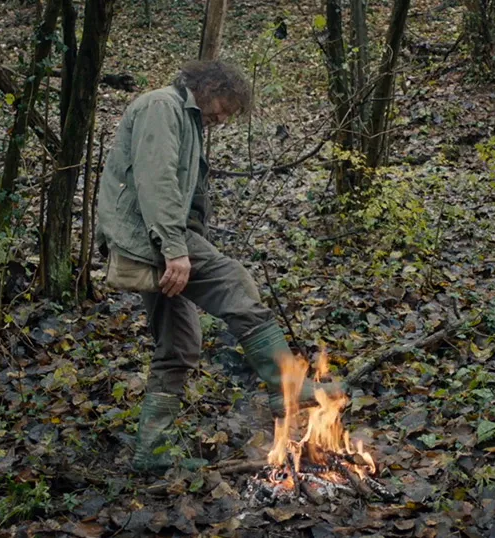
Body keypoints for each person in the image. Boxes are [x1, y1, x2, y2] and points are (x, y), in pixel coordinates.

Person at [96, 60, 344, 473]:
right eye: (225, 107)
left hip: (157, 239)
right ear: (209, 86)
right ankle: (288, 388)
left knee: (177, 346)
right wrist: (176, 250)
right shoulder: (162, 107)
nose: (224, 118)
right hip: (154, 240)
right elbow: (156, 183)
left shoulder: (185, 118)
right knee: (233, 282)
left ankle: (151, 455)